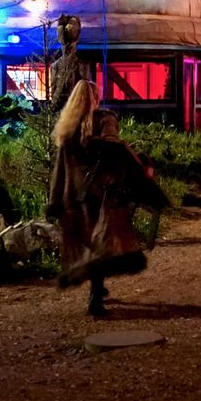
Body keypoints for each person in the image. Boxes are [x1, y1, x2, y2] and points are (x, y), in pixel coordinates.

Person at [47, 80, 165, 318]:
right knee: (102, 244)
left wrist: (54, 200)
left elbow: (60, 169)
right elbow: (114, 146)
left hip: (74, 196)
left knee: (91, 244)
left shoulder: (67, 128)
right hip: (99, 193)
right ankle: (95, 298)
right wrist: (140, 164)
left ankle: (97, 289)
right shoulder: (104, 119)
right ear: (95, 98)